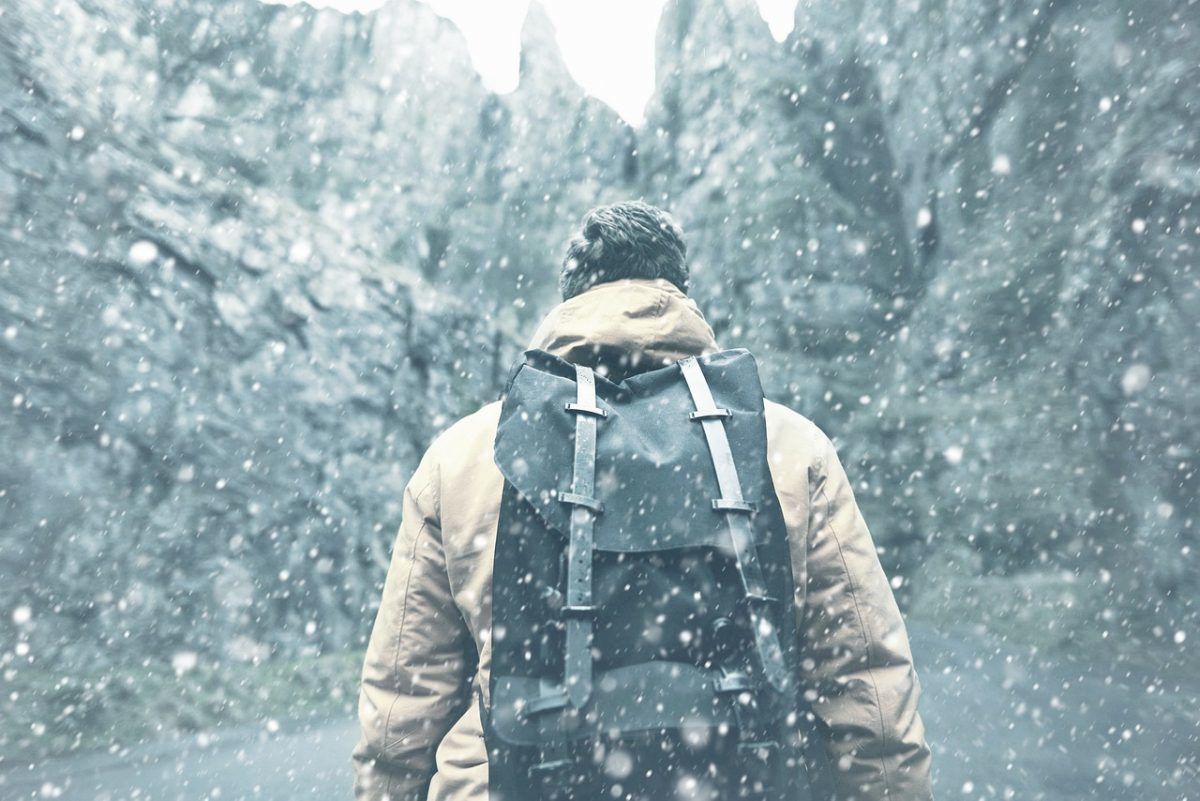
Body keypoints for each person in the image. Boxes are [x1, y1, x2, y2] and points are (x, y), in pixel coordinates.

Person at [352, 200, 934, 801]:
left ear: (570, 298)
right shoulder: (785, 443)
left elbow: (401, 711)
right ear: (678, 292)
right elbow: (867, 689)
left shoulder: (466, 455)